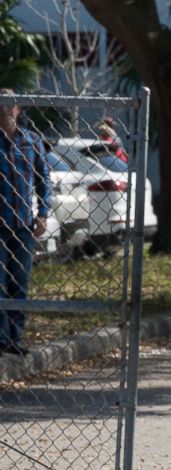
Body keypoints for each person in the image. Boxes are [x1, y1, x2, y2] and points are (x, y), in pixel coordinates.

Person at [0, 88, 51, 356]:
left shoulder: (31, 141)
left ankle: (13, 339)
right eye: (2, 104)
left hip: (22, 226)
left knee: (19, 282)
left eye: (12, 104)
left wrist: (43, 213)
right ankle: (1, 339)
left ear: (19, 109)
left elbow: (44, 180)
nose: (7, 109)